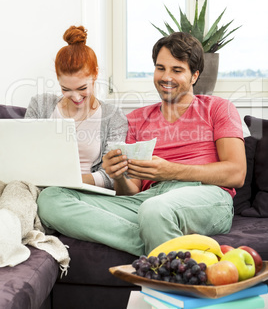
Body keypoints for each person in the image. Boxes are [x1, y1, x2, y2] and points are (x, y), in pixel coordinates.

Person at [37, 32, 246, 257]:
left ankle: (164, 256)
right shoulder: (136, 119)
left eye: (177, 70)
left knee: (156, 210)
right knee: (50, 199)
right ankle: (166, 243)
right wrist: (117, 175)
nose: (166, 77)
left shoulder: (218, 108)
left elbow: (236, 172)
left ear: (194, 76)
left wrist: (171, 171)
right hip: (147, 200)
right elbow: (130, 191)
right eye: (161, 68)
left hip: (206, 195)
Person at [25, 25, 128, 190]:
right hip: (37, 187)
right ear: (58, 80)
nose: (76, 97)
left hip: (82, 192)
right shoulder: (40, 105)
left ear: (95, 74)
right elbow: (25, 153)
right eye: (66, 89)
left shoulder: (114, 117)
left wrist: (67, 180)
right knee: (15, 188)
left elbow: (111, 176)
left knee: (52, 198)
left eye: (82, 88)